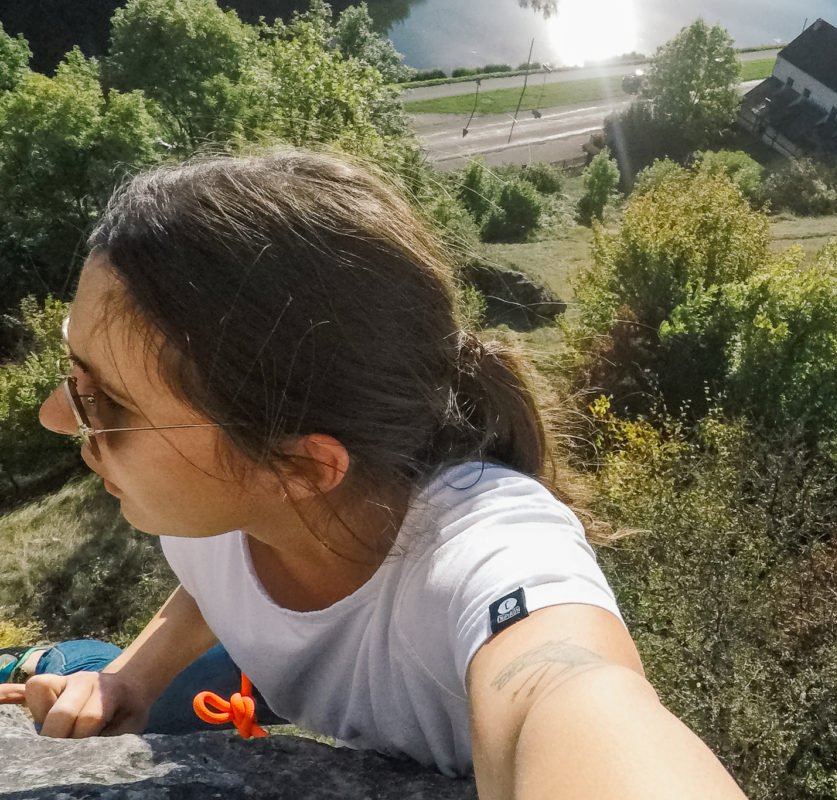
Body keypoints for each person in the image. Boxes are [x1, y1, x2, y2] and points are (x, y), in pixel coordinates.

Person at [0, 150, 746, 799]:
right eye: (74, 370)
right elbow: (211, 577)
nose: (55, 416)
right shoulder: (231, 495)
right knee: (82, 679)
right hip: (270, 664)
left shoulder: (480, 552)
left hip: (326, 674)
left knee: (61, 669)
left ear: (301, 465)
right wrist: (133, 677)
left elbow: (563, 684)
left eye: (108, 401)